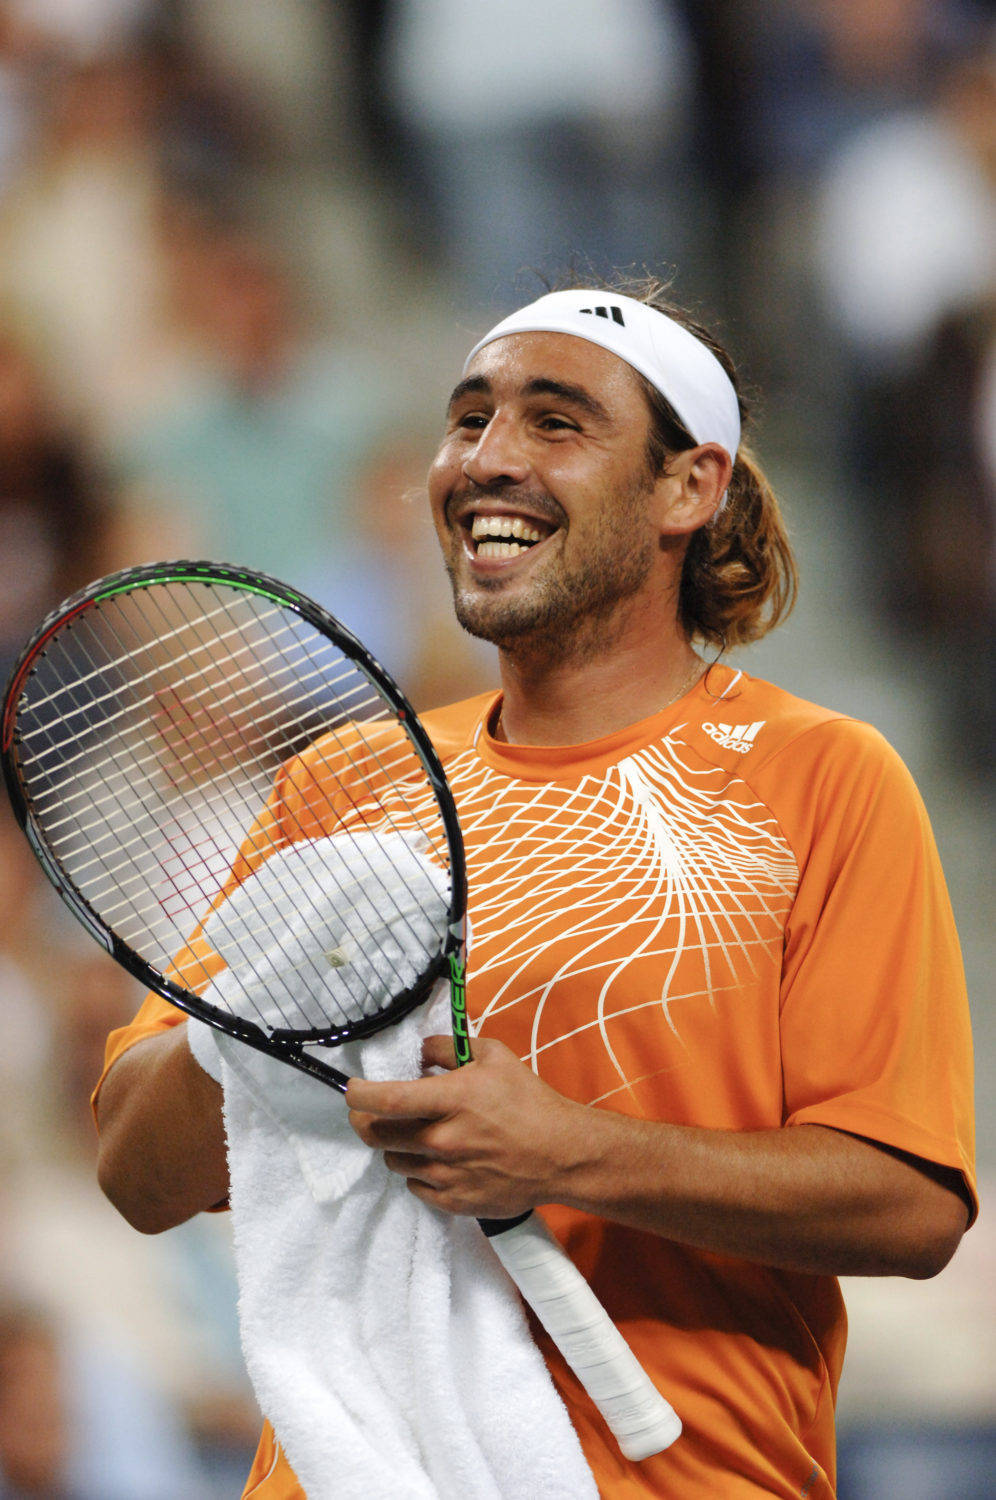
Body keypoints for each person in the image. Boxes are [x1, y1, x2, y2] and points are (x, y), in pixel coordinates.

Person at [93, 277, 977, 1499]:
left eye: (557, 422)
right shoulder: (346, 784)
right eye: (469, 419)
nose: (488, 459)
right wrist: (254, 1023)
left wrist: (568, 1153)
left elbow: (908, 1203)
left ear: (689, 488)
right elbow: (142, 1180)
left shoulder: (825, 776)